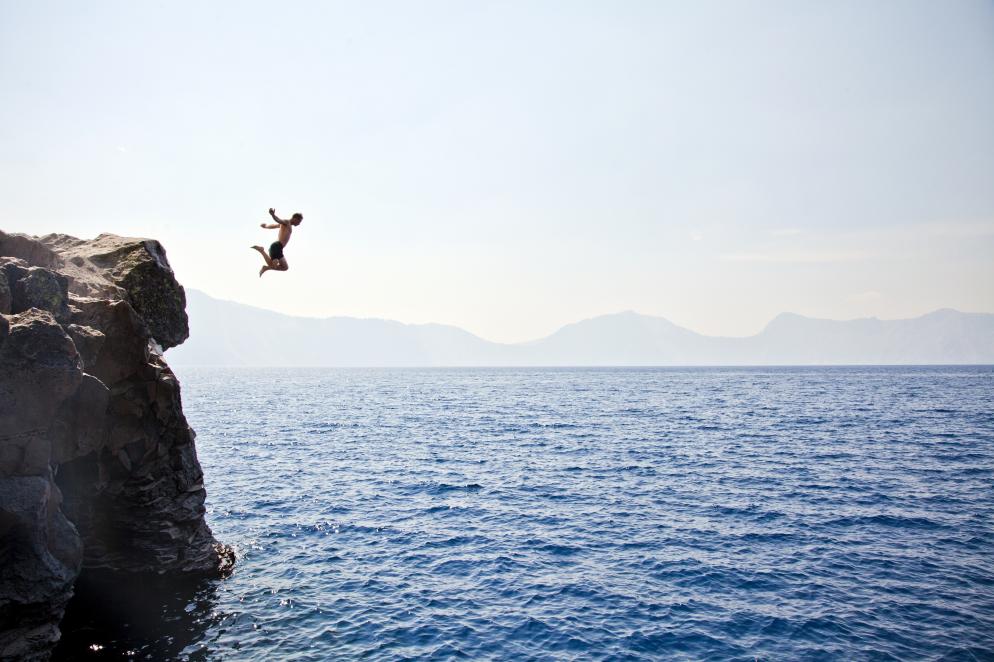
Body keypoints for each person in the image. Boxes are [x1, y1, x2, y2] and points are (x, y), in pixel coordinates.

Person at [252, 208, 303, 277]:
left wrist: (266, 226)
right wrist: (273, 215)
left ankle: (263, 258)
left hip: (278, 248)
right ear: (295, 219)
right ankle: (262, 253)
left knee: (285, 267)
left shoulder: (286, 225)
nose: (299, 224)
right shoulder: (287, 222)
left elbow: (274, 225)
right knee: (274, 265)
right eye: (299, 222)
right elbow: (278, 220)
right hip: (277, 246)